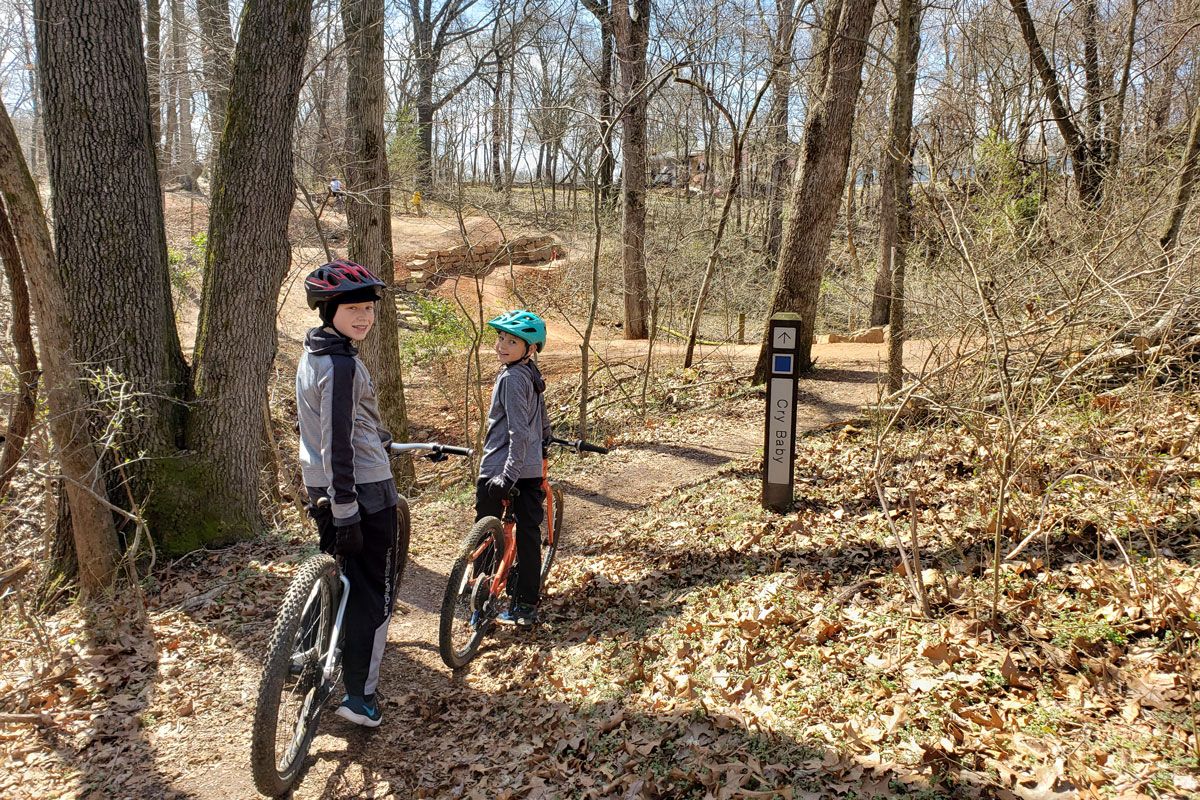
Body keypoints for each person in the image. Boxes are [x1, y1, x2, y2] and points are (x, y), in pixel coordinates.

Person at [296, 259, 399, 727]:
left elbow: (334, 426)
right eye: (351, 308)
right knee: (371, 594)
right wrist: (347, 512)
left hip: (321, 485)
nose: (363, 317)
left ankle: (300, 654)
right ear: (327, 309)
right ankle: (362, 697)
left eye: (368, 308)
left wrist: (377, 435)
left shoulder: (315, 353)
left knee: (338, 576)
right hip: (361, 493)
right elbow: (338, 441)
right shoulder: (339, 364)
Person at [476, 310, 552, 628]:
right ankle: (524, 604)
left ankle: (478, 600)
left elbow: (517, 432)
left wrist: (507, 475)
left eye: (512, 341)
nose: (502, 345)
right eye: (500, 338)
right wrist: (544, 445)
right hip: (529, 469)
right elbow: (540, 422)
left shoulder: (510, 378)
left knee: (486, 532)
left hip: (501, 467)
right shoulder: (531, 375)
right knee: (528, 534)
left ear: (530, 348)